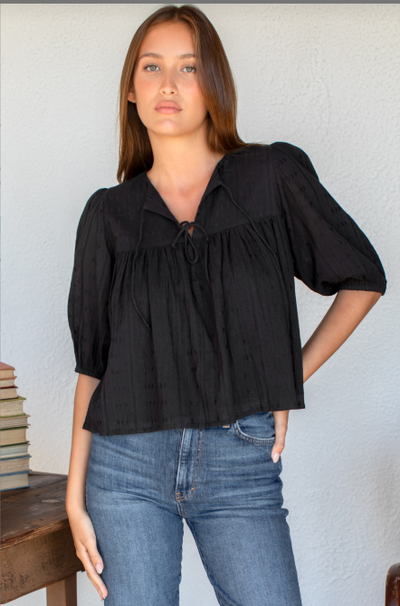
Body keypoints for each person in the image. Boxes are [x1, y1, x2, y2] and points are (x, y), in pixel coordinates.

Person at [65, 5, 386, 606]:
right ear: (131, 90)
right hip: (125, 466)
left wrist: (283, 378)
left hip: (239, 456)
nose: (167, 84)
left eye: (188, 67)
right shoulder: (108, 214)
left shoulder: (270, 176)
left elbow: (363, 278)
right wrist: (74, 496)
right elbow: (93, 364)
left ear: (213, 83)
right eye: (151, 67)